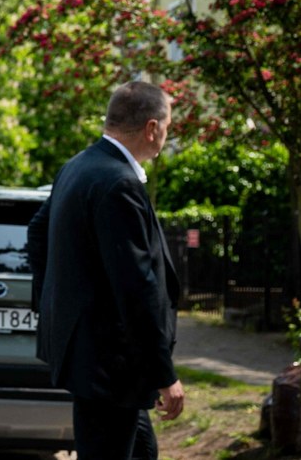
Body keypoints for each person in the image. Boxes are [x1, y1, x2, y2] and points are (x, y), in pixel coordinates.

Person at [25, 81, 186, 460]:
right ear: (151, 128)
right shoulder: (118, 183)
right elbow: (137, 288)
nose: (166, 134)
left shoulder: (79, 165)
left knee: (143, 451)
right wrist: (165, 375)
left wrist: (60, 308)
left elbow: (37, 232)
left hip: (97, 361)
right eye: (168, 126)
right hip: (111, 367)